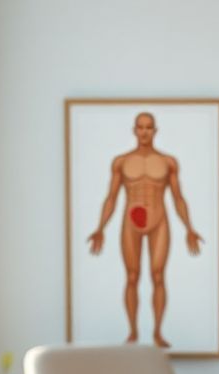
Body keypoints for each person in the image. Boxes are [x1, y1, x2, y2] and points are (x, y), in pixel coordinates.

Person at [87, 112, 203, 348]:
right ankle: (132, 332)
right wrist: (100, 228)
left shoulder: (168, 162)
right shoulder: (121, 161)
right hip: (130, 221)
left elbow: (179, 198)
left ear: (155, 131)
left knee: (158, 276)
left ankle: (158, 332)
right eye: (140, 127)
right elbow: (111, 198)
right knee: (132, 276)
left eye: (149, 127)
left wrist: (189, 228)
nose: (144, 131)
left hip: (159, 219)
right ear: (134, 130)